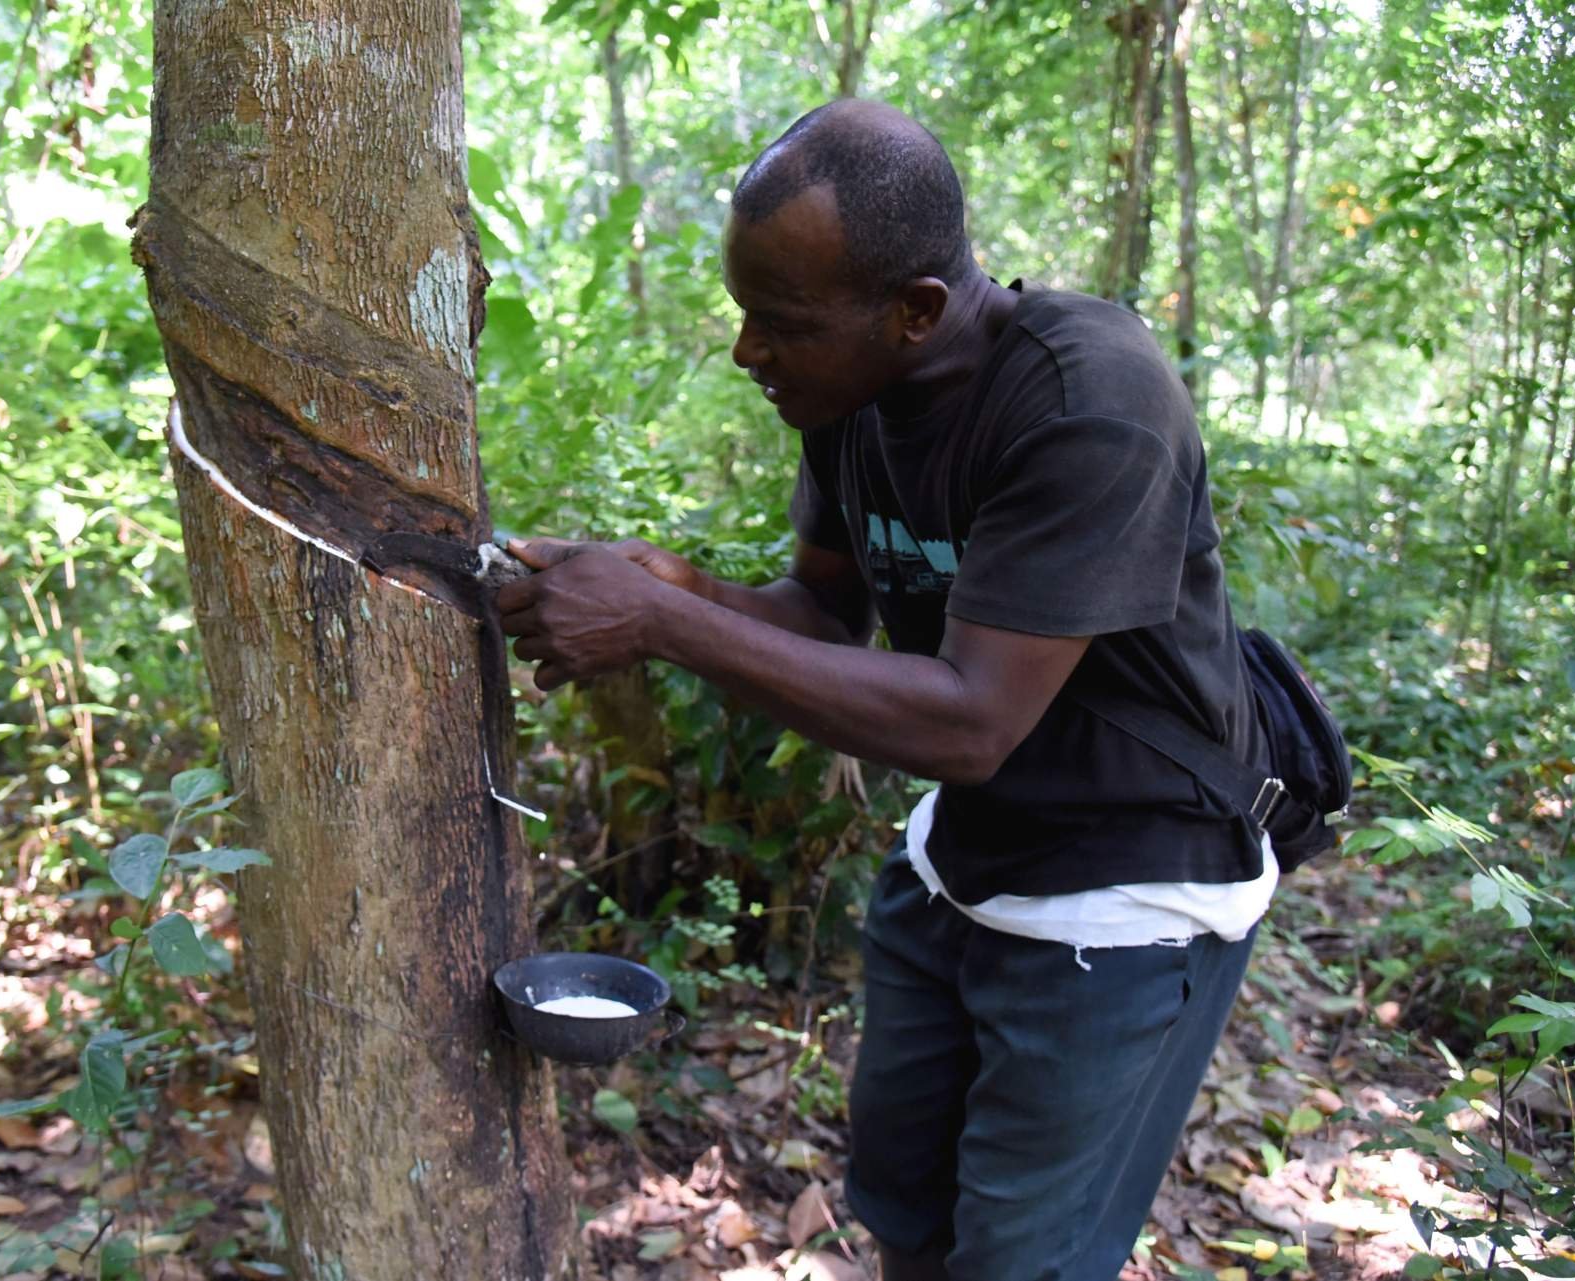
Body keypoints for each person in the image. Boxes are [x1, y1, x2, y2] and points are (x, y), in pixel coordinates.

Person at [494, 99, 1275, 1281]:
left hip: (1123, 901)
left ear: (914, 312)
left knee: (1021, 1257)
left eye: (781, 324)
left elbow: (972, 720)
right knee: (905, 1208)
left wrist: (662, 621)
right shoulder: (851, 401)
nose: (748, 352)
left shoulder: (1089, 399)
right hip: (963, 871)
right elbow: (822, 617)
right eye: (746, 316)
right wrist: (666, 583)